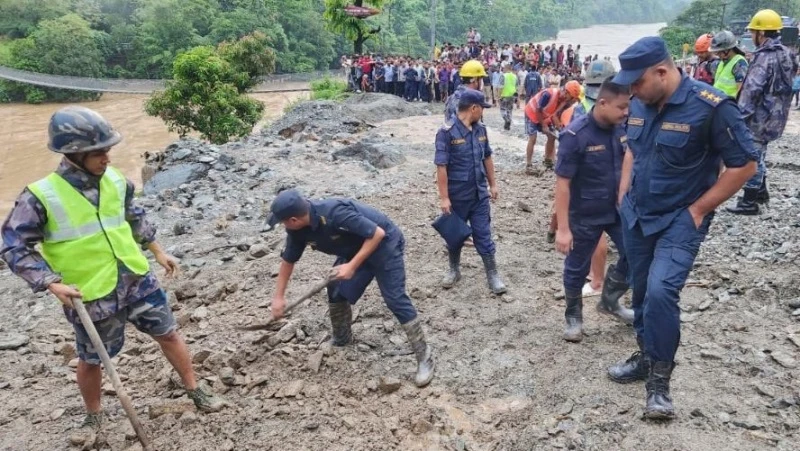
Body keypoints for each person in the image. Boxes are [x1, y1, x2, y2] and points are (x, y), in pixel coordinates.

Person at [0, 106, 227, 436]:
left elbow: (133, 216)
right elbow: (13, 246)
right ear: (74, 154)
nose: (106, 158)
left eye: (108, 150)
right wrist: (50, 283)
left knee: (168, 332)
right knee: (92, 358)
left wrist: (158, 251)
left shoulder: (117, 179)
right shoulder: (39, 197)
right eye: (98, 153)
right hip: (90, 293)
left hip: (135, 277)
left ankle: (195, 389)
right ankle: (94, 414)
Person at [609, 37, 757, 420]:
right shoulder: (641, 102)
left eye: (636, 82)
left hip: (681, 218)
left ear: (662, 71)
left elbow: (744, 165)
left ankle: (659, 381)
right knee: (641, 290)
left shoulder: (711, 108)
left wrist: (699, 209)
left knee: (660, 292)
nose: (631, 91)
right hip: (638, 215)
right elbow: (633, 149)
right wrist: (624, 192)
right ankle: (645, 355)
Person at [267, 189, 435, 387]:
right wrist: (278, 297)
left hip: (385, 245)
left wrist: (351, 266)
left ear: (293, 219)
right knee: (336, 288)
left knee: (395, 299)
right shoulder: (296, 230)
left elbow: (377, 233)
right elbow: (288, 261)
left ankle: (424, 356)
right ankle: (342, 338)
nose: (283, 225)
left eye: (282, 222)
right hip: (355, 248)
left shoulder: (334, 213)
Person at [554, 78, 636, 342]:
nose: (626, 112)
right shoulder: (576, 135)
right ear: (602, 103)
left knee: (635, 254)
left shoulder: (621, 127)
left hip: (618, 210)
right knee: (576, 267)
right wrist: (563, 229)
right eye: (622, 107)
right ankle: (573, 317)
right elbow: (563, 184)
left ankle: (610, 299)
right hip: (586, 212)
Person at [435, 89, 507, 295]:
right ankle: (454, 270)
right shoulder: (446, 132)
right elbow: (441, 166)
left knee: (483, 234)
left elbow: (488, 157)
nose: (482, 113)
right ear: (473, 108)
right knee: (454, 235)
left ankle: (493, 274)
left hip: (479, 194)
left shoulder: (481, 130)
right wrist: (444, 197)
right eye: (482, 108)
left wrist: (493, 184)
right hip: (457, 196)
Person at [728, 9, 795, 215]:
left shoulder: (764, 58)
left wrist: (738, 119)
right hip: (776, 117)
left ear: (762, 33)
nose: (753, 36)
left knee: (752, 157)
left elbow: (751, 90)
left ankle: (749, 202)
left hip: (759, 118)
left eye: (754, 32)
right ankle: (761, 192)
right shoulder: (787, 53)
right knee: (761, 153)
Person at [523, 80, 581, 174]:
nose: (570, 101)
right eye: (571, 98)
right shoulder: (548, 94)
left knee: (552, 136)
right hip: (531, 113)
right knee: (533, 138)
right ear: (566, 92)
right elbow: (538, 109)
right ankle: (528, 165)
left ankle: (548, 161)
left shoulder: (563, 101)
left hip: (544, 116)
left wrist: (561, 129)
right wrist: (544, 125)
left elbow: (555, 116)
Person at [444, 59, 487, 125]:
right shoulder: (471, 100)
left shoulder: (452, 97)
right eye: (480, 79)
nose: (481, 82)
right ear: (475, 79)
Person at [710, 30, 748, 98]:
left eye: (719, 52)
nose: (717, 54)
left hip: (729, 105)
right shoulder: (723, 62)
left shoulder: (739, 63)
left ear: (727, 50)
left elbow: (741, 91)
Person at [499, 64, 518, 130]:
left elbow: (501, 87)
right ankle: (507, 125)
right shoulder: (515, 76)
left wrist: (499, 96)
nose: (503, 70)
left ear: (506, 68)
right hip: (512, 95)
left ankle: (506, 119)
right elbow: (517, 87)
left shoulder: (503, 76)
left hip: (504, 95)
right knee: (509, 110)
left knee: (503, 109)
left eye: (504, 68)